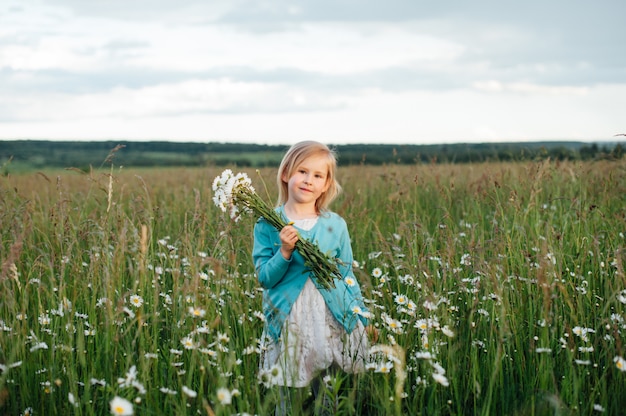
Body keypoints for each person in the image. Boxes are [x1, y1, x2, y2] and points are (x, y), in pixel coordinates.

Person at [253, 141, 377, 415]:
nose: (309, 180)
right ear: (286, 174)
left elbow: (345, 275)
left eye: (318, 176)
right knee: (286, 390)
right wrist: (284, 251)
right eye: (302, 171)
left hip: (329, 315)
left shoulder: (335, 224)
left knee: (327, 391)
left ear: (325, 184)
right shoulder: (267, 223)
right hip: (290, 319)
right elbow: (265, 278)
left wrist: (362, 317)